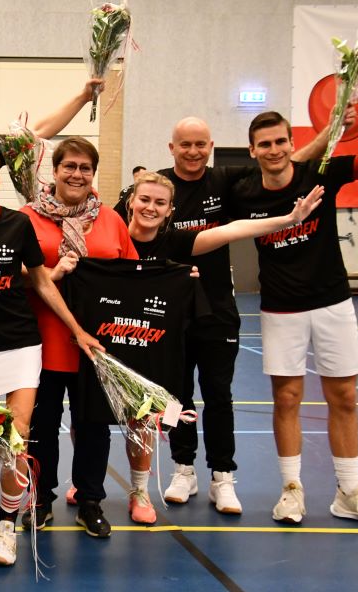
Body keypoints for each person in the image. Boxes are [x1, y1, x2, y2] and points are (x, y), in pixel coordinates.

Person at [113, 116, 332, 514]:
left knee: (218, 396)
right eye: (185, 145)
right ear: (171, 148)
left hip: (216, 311)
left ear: (211, 146)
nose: (193, 152)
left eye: (200, 144)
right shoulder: (152, 189)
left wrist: (324, 139)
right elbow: (115, 233)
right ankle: (183, 468)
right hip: (169, 316)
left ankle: (222, 476)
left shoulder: (227, 181)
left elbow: (283, 163)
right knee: (176, 395)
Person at [229, 111, 358, 529]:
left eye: (281, 142)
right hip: (280, 309)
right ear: (253, 150)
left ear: (292, 143)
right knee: (287, 399)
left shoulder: (321, 175)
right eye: (265, 144)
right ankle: (291, 491)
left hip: (332, 304)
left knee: (343, 398)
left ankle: (350, 493)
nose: (274, 150)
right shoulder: (244, 193)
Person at [0, 137, 100, 566]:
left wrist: (77, 329)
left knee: (17, 434)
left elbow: (42, 281)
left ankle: (7, 525)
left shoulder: (16, 225)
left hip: (21, 343)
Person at [18, 137, 137, 534]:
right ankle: (41, 500)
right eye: (69, 166)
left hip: (95, 346)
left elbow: (130, 276)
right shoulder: (27, 218)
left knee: (93, 427)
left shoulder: (111, 220)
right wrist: (49, 273)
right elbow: (8, 271)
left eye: (85, 167)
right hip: (42, 341)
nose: (77, 174)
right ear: (55, 171)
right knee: (42, 428)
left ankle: (90, 501)